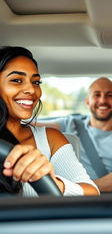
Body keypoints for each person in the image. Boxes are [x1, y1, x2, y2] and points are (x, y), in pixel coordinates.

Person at [0, 46, 99, 196]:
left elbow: (92, 192)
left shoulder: (50, 139)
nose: (32, 90)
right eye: (17, 80)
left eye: (36, 82)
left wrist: (52, 182)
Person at [52, 77, 112, 193]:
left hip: (106, 200)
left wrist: (79, 190)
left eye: (109, 95)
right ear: (87, 101)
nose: (102, 100)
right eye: (97, 95)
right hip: (71, 199)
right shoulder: (70, 123)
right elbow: (32, 127)